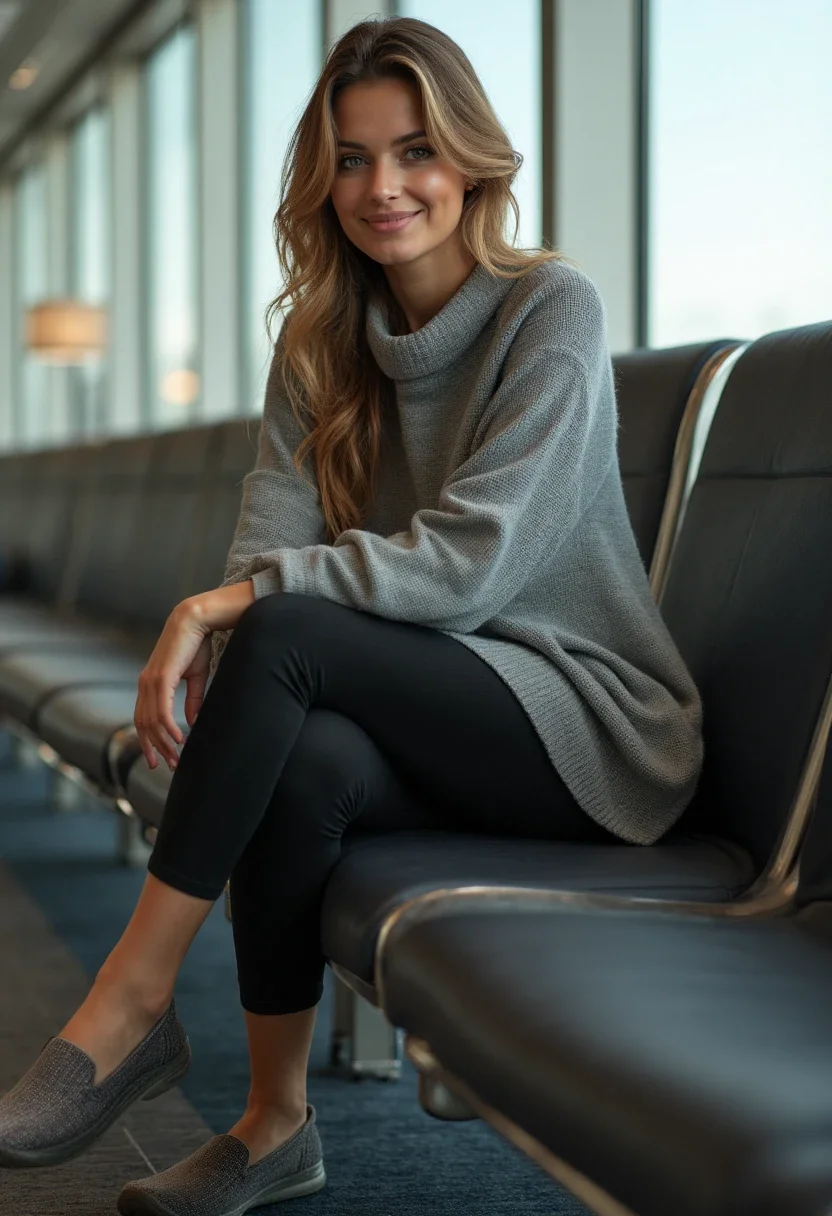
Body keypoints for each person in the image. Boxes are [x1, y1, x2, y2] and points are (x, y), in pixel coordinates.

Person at [0, 15, 703, 1216]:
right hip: (430, 711)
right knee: (301, 746)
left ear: (473, 161)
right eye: (354, 157)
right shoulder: (318, 345)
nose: (386, 187)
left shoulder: (552, 311)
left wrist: (219, 608)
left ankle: (131, 998)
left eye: (417, 151)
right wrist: (231, 612)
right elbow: (269, 544)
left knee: (279, 628)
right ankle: (275, 1123)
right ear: (320, 180)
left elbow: (469, 565)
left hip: (581, 727)